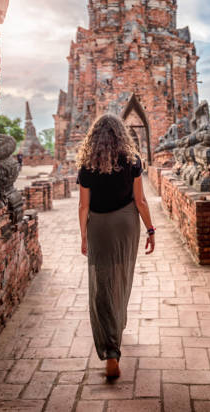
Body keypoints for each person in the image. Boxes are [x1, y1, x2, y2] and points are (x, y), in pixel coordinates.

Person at [76, 113, 155, 379]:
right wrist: (150, 229)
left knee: (101, 281)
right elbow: (141, 201)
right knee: (121, 276)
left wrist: (84, 236)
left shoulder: (87, 165)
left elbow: (83, 206)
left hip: (98, 225)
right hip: (126, 224)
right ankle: (117, 325)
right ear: (122, 134)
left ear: (94, 138)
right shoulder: (133, 161)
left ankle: (111, 350)